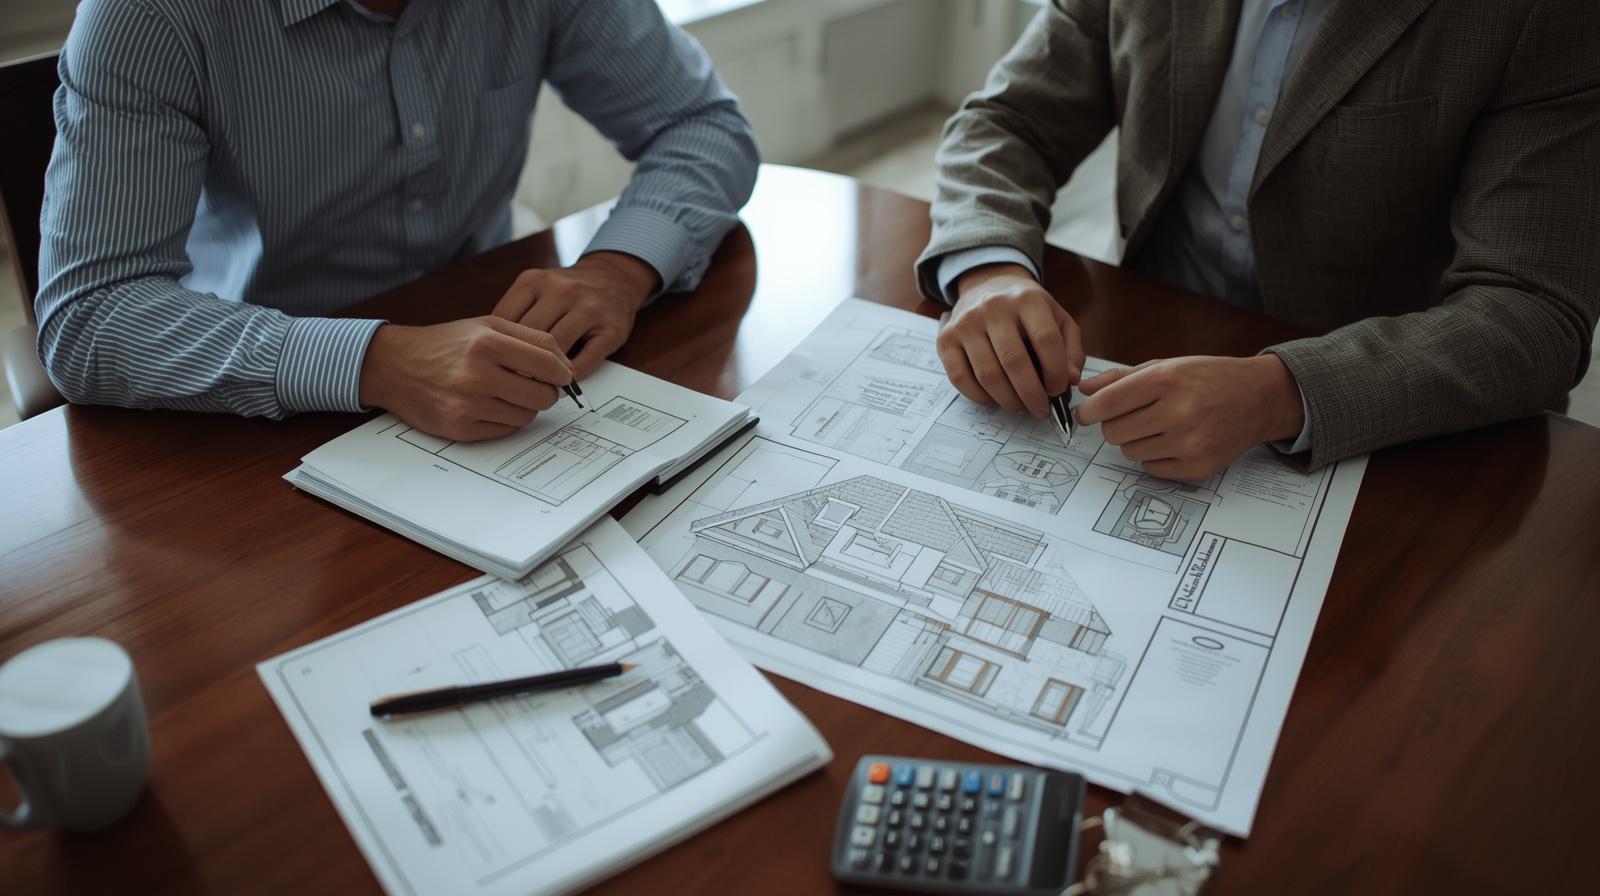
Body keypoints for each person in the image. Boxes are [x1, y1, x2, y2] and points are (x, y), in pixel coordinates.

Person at [920, 0, 1599, 477]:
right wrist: (990, 271)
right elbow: (1007, 122)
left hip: (1386, 421)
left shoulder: (1542, 14)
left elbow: (1533, 313)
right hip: (1147, 339)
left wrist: (1282, 393)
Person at [36, 0, 758, 442]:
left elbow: (702, 126)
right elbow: (91, 316)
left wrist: (617, 270)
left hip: (497, 353)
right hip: (247, 401)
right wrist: (376, 362)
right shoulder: (148, 15)